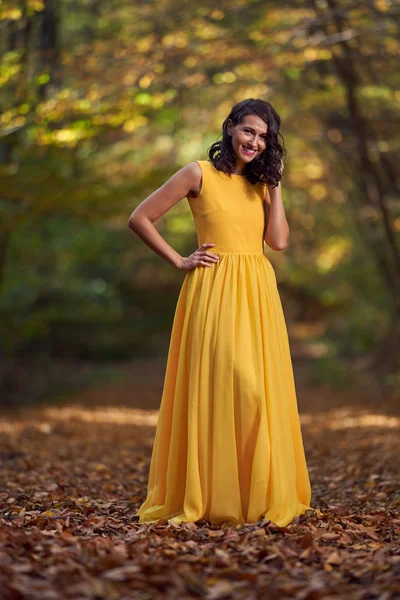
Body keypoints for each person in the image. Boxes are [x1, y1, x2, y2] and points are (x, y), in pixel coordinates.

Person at [128, 98, 317, 527]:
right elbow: (140, 217)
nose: (255, 141)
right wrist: (179, 260)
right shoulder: (198, 173)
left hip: (258, 291)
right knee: (230, 387)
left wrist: (277, 186)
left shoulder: (260, 184)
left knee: (258, 395)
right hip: (213, 291)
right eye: (249, 130)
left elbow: (280, 242)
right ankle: (211, 498)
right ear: (231, 128)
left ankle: (255, 498)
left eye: (264, 136)